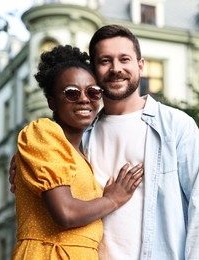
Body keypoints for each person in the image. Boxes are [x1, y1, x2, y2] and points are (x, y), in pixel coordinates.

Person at [10, 24, 199, 259]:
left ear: (140, 66)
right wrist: (22, 159)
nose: (116, 69)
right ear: (94, 69)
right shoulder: (80, 134)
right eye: (105, 61)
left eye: (124, 59)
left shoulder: (175, 126)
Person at [11, 45, 144, 260]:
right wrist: (113, 199)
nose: (84, 99)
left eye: (93, 92)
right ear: (51, 102)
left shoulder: (83, 152)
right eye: (72, 93)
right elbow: (66, 213)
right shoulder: (43, 132)